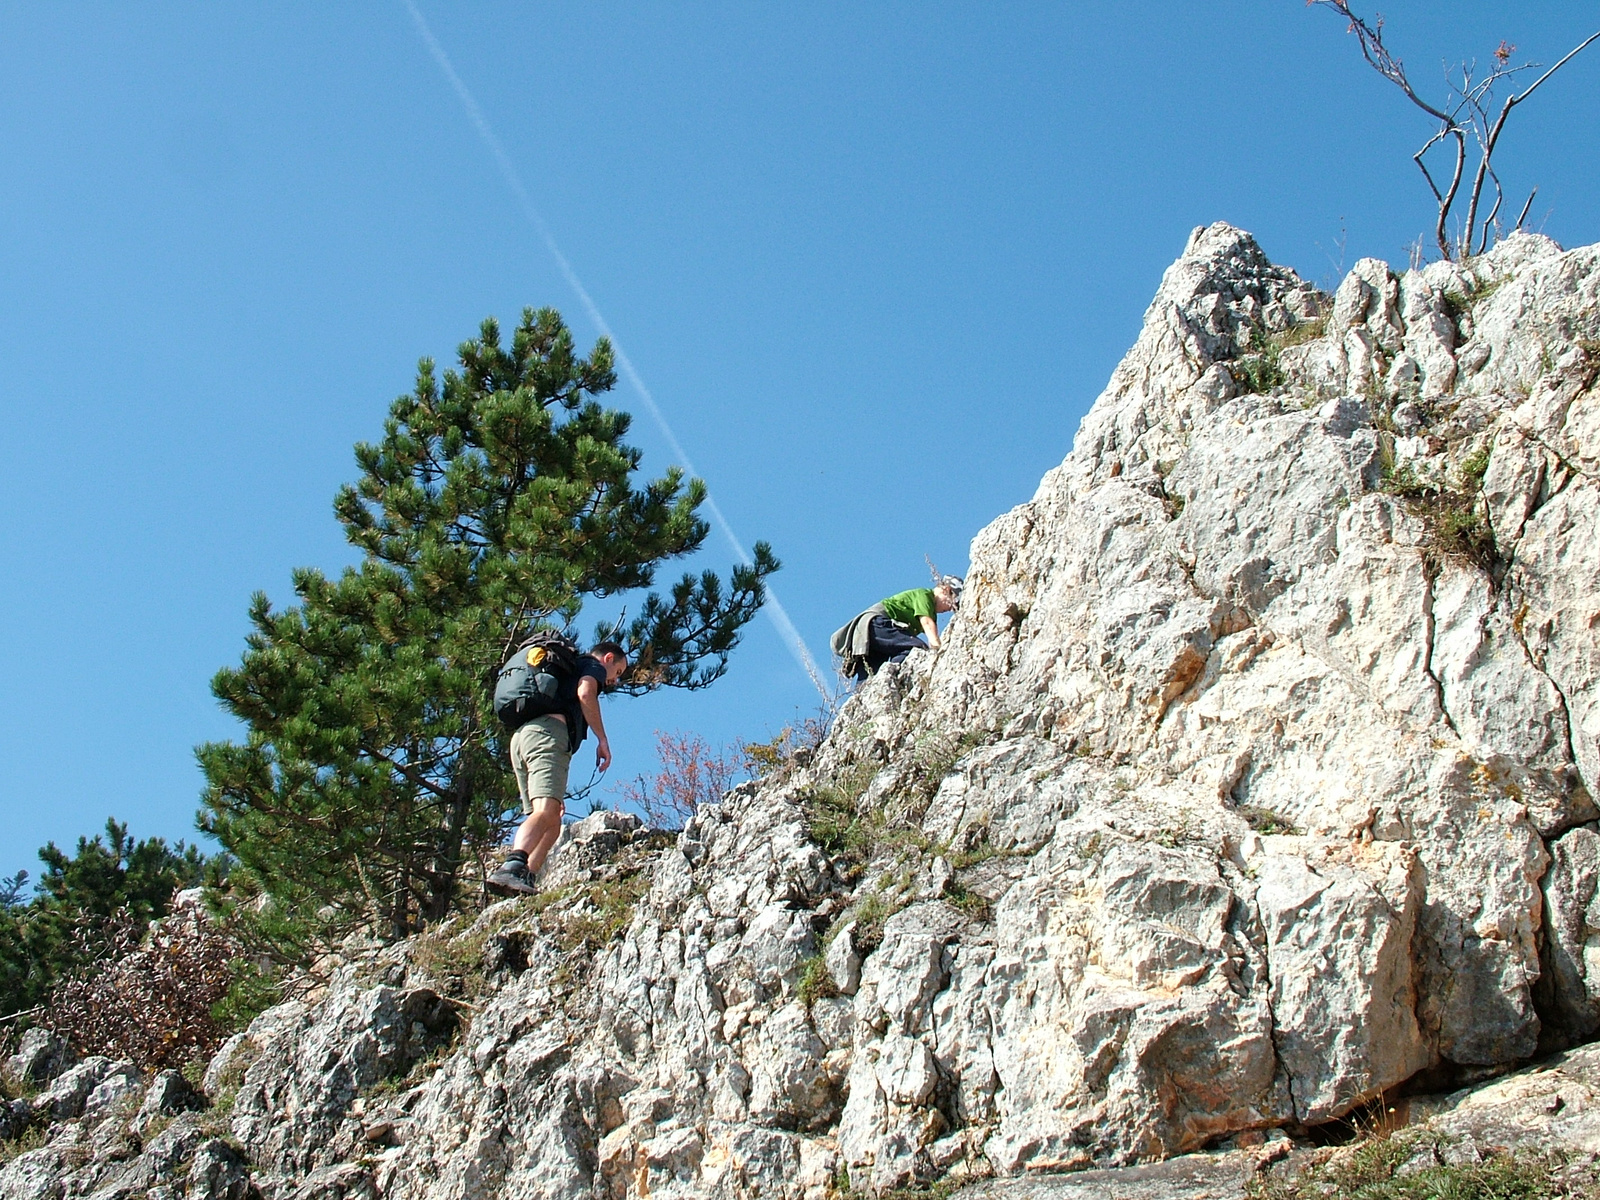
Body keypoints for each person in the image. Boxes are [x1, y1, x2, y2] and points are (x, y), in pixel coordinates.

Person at [487, 640, 629, 896]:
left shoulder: (569, 670)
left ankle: (525, 878)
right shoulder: (592, 666)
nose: (614, 681)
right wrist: (602, 739)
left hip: (522, 738)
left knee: (551, 820)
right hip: (547, 734)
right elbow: (585, 693)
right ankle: (511, 867)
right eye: (617, 672)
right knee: (545, 811)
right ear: (608, 658)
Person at [831, 576, 963, 680]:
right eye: (953, 602)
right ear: (946, 590)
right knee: (915, 647)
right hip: (877, 623)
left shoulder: (930, 610)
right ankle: (894, 678)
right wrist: (938, 651)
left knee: (870, 676)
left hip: (868, 633)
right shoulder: (925, 596)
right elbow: (927, 625)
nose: (951, 608)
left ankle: (865, 701)